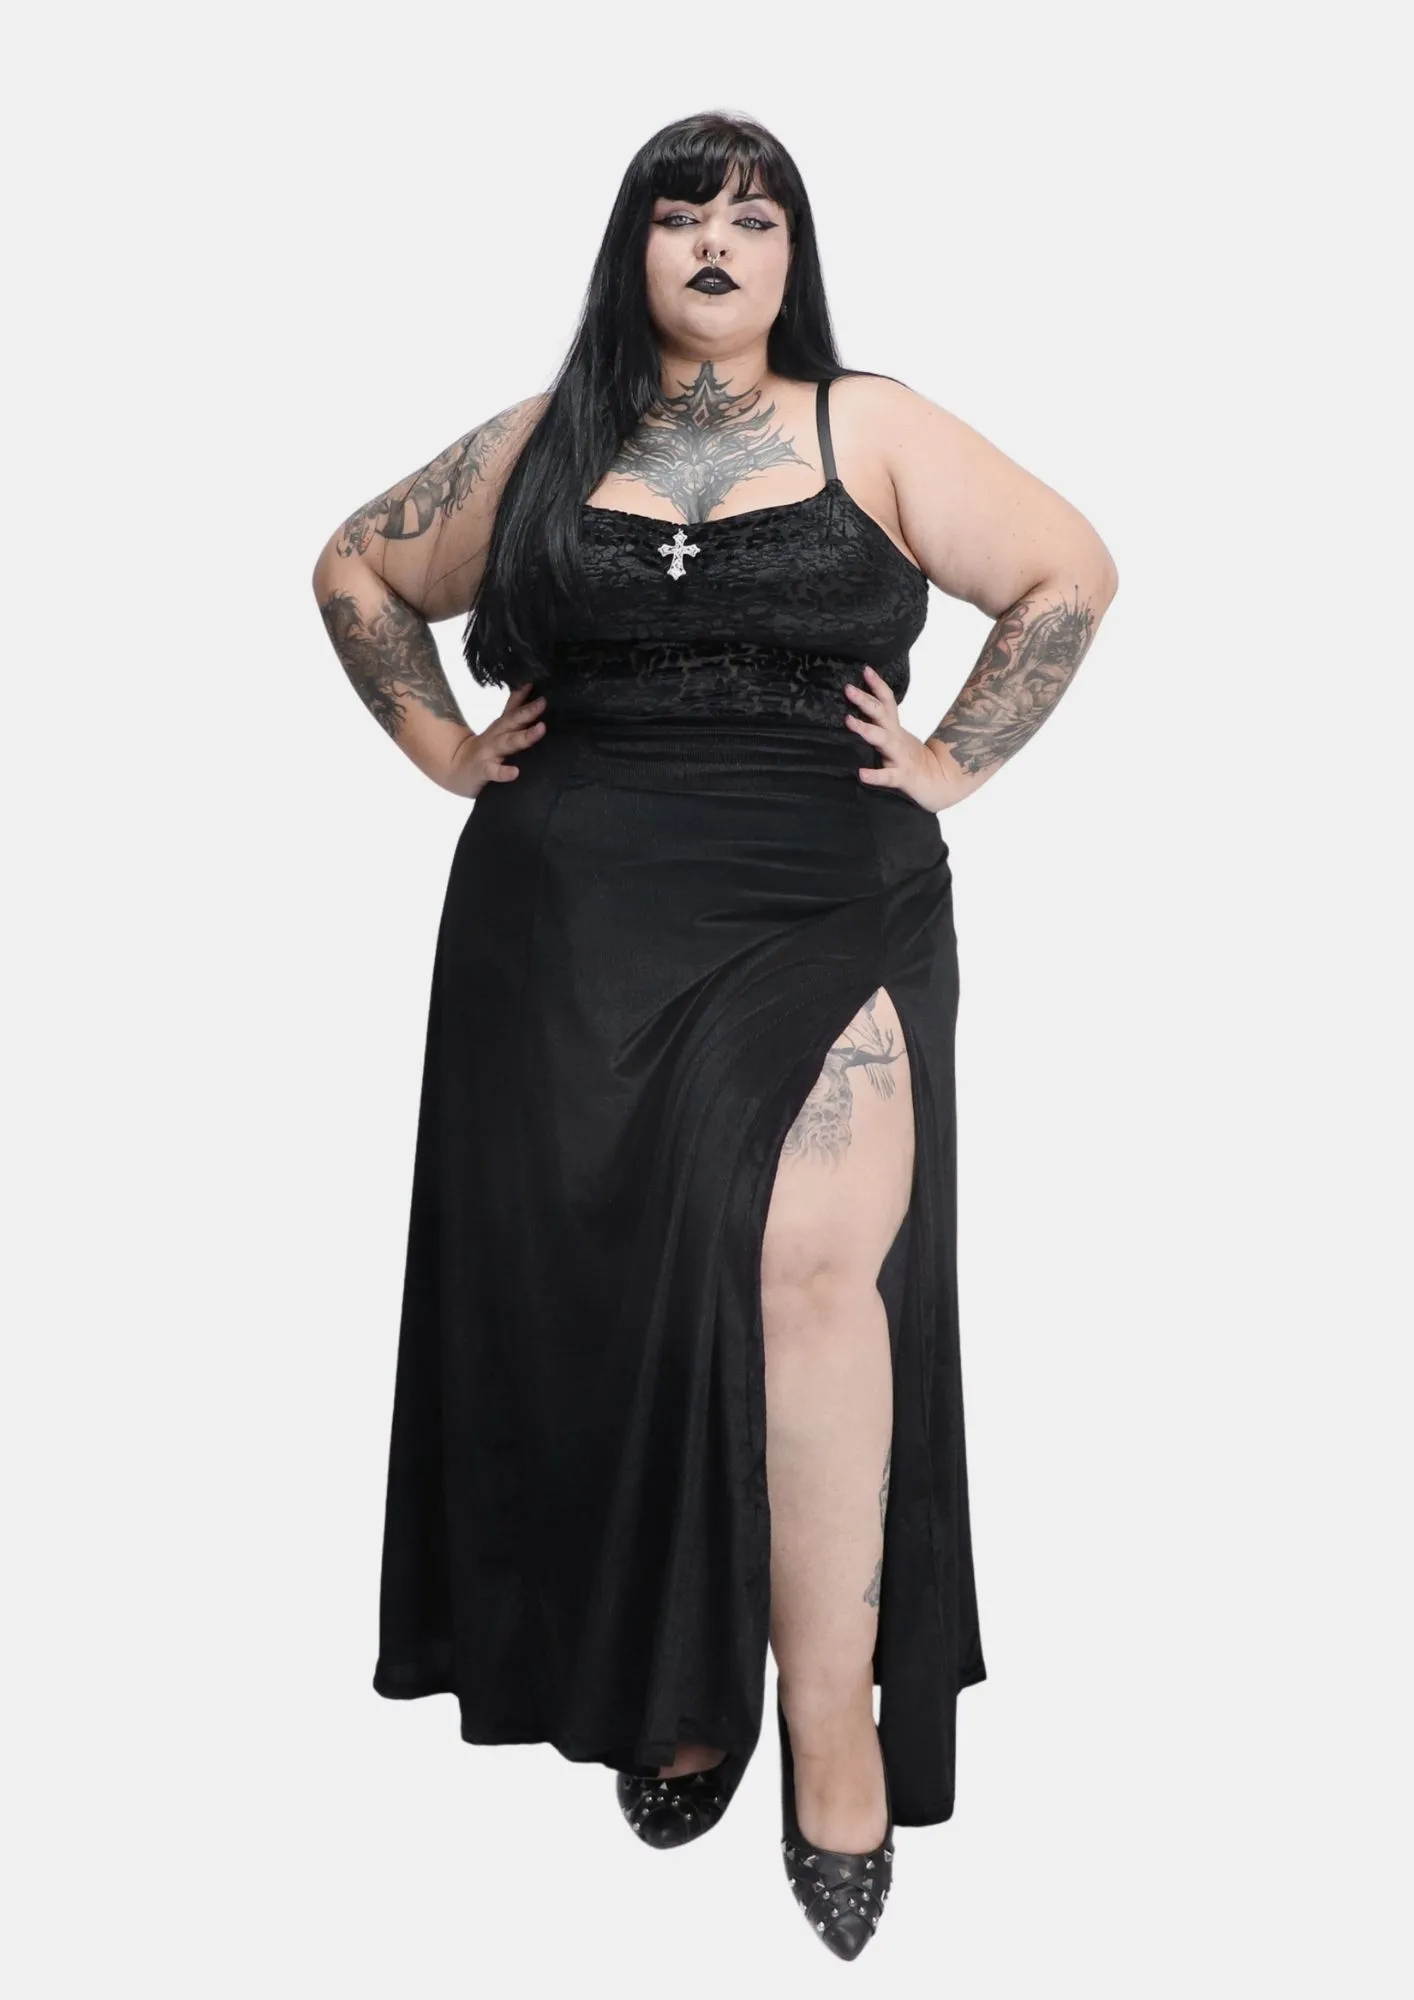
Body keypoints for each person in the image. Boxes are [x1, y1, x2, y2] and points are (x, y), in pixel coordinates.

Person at [311, 109, 1117, 1960]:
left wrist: (953, 762)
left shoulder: (867, 424)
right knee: (612, 1291)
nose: (716, 245)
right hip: (569, 916)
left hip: (822, 891)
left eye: (753, 219)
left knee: (816, 1272)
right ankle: (670, 1686)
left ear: (789, 257)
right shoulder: (542, 440)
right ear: (634, 249)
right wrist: (444, 750)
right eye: (681, 216)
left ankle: (830, 1729)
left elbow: (1067, 571)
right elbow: (354, 568)